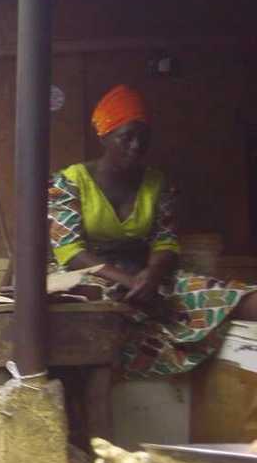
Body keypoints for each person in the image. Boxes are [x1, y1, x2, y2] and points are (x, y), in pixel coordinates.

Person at [48, 84, 257, 377]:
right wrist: (131, 282)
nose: (135, 146)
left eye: (142, 138)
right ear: (104, 136)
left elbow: (166, 241)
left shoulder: (158, 184)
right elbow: (69, 250)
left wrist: (152, 275)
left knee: (217, 294)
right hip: (86, 279)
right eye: (126, 137)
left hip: (144, 274)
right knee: (105, 323)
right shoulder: (68, 182)